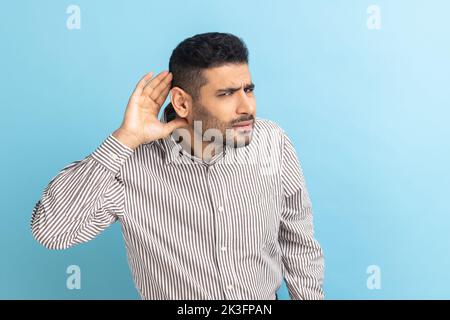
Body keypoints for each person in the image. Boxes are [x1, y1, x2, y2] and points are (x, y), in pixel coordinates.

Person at [31, 32, 324, 300]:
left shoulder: (272, 142)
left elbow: (298, 241)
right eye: (226, 94)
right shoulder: (130, 166)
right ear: (182, 103)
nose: (247, 107)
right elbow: (52, 232)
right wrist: (125, 138)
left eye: (248, 89)